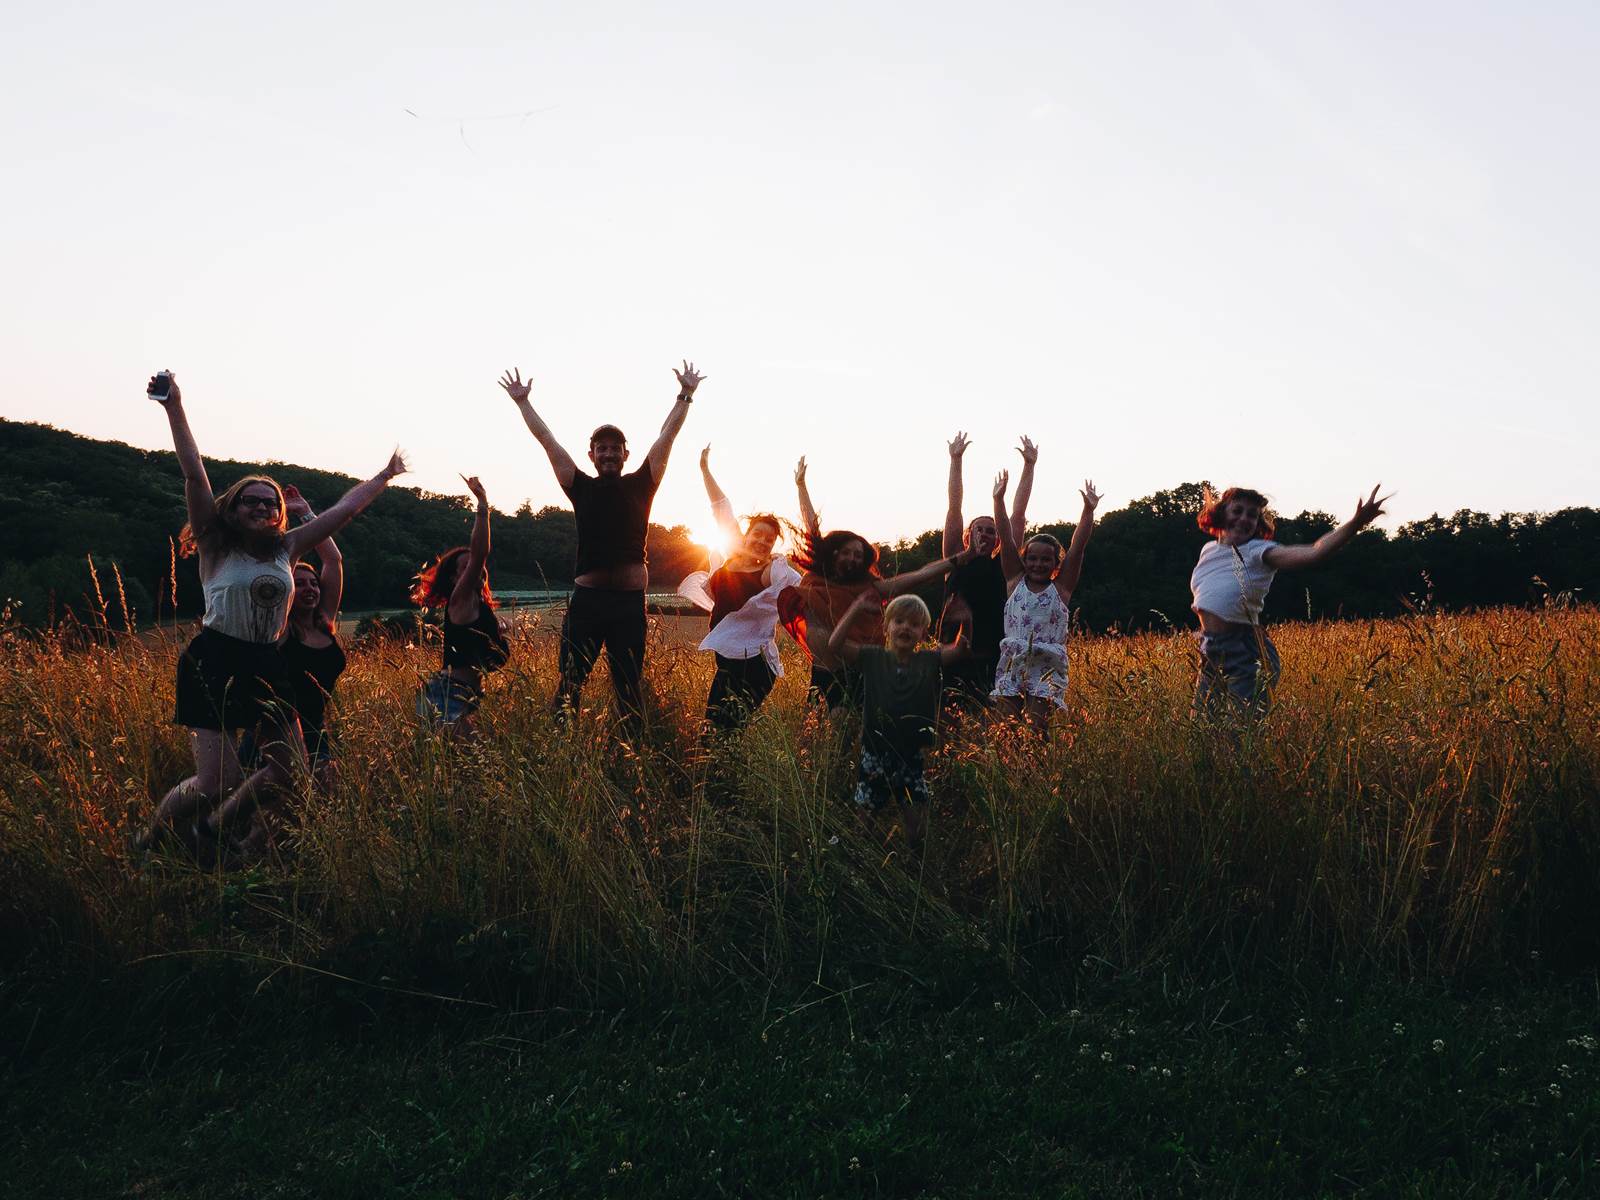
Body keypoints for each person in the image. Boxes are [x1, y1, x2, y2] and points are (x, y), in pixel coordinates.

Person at [137, 371, 407, 858]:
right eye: (251, 500)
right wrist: (174, 406)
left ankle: (212, 834)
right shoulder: (215, 544)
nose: (262, 506)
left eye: (270, 501)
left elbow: (344, 510)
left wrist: (384, 476)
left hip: (266, 664)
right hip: (215, 659)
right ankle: (152, 838)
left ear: (279, 512)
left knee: (291, 773)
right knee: (216, 780)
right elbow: (194, 471)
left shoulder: (287, 548)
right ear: (233, 509)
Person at [498, 362, 702, 726]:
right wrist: (523, 403)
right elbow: (548, 442)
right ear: (591, 454)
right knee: (571, 683)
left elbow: (666, 438)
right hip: (588, 605)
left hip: (628, 606)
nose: (608, 453)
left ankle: (634, 755)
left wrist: (685, 395)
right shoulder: (580, 486)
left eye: (615, 448)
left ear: (626, 454)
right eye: (601, 448)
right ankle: (560, 752)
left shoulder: (643, 483)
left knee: (628, 687)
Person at [787, 456, 976, 708]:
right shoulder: (814, 579)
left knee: (850, 724)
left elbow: (921, 574)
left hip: (857, 669)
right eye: (847, 552)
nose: (853, 559)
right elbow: (811, 525)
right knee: (820, 734)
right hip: (822, 670)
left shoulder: (869, 588)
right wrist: (801, 486)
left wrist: (960, 558)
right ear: (834, 553)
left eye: (858, 555)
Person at [1191, 483, 1388, 720]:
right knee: (1202, 728)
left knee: (1239, 733)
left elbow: (1314, 552)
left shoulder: (1258, 551)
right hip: (1211, 648)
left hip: (1245, 650)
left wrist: (1356, 523)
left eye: (1252, 515)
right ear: (1222, 513)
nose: (1244, 519)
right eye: (1238, 511)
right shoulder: (1208, 549)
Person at [676, 446, 801, 733]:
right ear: (746, 534)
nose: (762, 541)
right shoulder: (727, 556)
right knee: (714, 731)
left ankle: (719, 777)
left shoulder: (771, 570)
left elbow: (800, 585)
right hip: (728, 662)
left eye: (769, 540)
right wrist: (705, 469)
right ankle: (717, 777)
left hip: (754, 667)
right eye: (758, 533)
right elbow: (721, 506)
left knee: (723, 731)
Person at [827, 591, 969, 843]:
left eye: (914, 624)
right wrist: (857, 606)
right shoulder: (872, 657)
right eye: (899, 621)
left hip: (912, 754)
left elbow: (959, 650)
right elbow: (835, 645)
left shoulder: (928, 660)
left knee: (916, 825)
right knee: (865, 820)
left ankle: (915, 864)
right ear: (886, 627)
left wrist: (964, 621)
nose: (906, 627)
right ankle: (862, 860)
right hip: (874, 751)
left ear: (923, 634)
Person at [236, 484, 347, 801]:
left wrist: (304, 513)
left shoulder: (325, 622)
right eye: (299, 584)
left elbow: (333, 561)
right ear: (287, 591)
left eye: (314, 583)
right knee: (273, 809)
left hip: (315, 729)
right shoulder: (279, 628)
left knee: (319, 804)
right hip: (273, 730)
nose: (311, 588)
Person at [990, 471, 1101, 731]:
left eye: (1045, 559)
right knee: (1006, 731)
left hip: (1046, 664)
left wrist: (1088, 511)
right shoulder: (1014, 581)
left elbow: (1078, 547)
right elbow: (1006, 538)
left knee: (1035, 731)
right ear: (1024, 560)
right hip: (1013, 661)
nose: (1038, 564)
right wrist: (998, 500)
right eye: (1032, 558)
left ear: (1055, 564)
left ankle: (1033, 771)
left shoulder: (1061, 588)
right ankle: (1010, 772)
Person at [939, 432, 1037, 709]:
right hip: (954, 651)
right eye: (979, 529)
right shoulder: (955, 558)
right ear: (968, 536)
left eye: (991, 530)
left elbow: (1017, 516)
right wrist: (955, 460)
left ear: (998, 539)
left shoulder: (1005, 566)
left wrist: (1029, 466)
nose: (985, 533)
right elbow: (954, 507)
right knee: (951, 717)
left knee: (990, 719)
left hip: (995, 652)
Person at [412, 475, 509, 737]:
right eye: (465, 569)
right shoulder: (460, 598)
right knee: (476, 767)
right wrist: (483, 504)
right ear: (455, 579)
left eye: (474, 568)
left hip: (462, 696)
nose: (474, 570)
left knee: (466, 771)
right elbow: (480, 552)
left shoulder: (477, 606)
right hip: (446, 697)